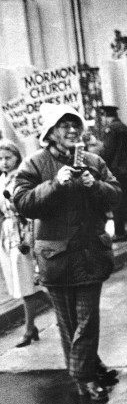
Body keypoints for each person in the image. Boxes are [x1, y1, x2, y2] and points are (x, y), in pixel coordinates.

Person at [13, 103, 122, 404]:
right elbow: (22, 203)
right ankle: (90, 366)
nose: (73, 130)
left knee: (86, 321)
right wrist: (55, 184)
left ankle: (83, 377)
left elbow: (116, 195)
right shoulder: (35, 163)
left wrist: (94, 185)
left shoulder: (93, 161)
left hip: (90, 254)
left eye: (76, 124)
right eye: (64, 125)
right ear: (50, 133)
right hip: (55, 258)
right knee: (68, 323)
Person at [0, 139, 40, 347]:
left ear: (17, 158)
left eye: (8, 158)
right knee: (18, 282)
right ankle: (59, 311)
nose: (4, 162)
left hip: (22, 231)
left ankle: (29, 328)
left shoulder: (21, 179)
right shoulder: (0, 180)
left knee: (25, 283)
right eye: (0, 159)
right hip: (7, 234)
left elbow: (27, 205)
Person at [98, 105, 127, 242]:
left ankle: (120, 232)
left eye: (103, 116)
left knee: (117, 200)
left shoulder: (111, 129)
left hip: (117, 170)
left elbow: (107, 152)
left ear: (106, 116)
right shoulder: (125, 128)